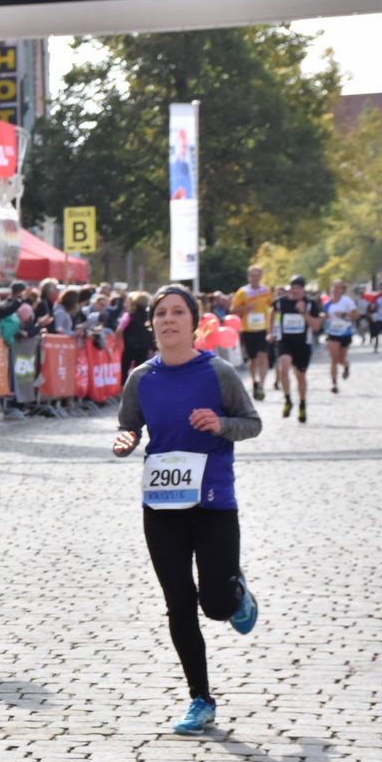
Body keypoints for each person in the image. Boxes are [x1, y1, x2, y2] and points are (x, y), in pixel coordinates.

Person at [113, 284, 262, 735]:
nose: (168, 320)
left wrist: (220, 424)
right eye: (161, 313)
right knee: (179, 604)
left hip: (214, 502)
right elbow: (128, 424)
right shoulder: (141, 378)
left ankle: (236, 593)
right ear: (152, 323)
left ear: (194, 322)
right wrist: (126, 440)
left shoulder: (217, 372)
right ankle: (200, 698)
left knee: (214, 604)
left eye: (178, 312)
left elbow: (251, 423)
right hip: (161, 505)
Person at [272, 275, 322, 424]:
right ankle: (287, 399)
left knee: (300, 376)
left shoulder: (310, 304)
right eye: (293, 288)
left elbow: (316, 326)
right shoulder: (282, 302)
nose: (295, 291)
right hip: (285, 341)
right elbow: (272, 313)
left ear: (303, 289)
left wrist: (303, 313)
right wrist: (270, 332)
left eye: (298, 288)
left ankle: (302, 404)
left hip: (303, 344)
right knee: (284, 366)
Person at [229, 266, 275, 400]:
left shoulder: (266, 291)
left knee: (263, 355)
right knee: (253, 359)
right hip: (248, 329)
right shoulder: (243, 292)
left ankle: (262, 384)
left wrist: (272, 326)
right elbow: (233, 310)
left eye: (257, 276)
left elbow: (273, 307)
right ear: (249, 277)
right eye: (252, 276)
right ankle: (254, 381)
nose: (255, 278)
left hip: (262, 329)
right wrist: (246, 308)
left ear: (261, 277)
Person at [322, 279, 357, 392]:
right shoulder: (328, 303)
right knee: (334, 359)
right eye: (334, 287)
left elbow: (356, 314)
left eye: (339, 287)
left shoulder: (346, 301)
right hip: (332, 332)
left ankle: (346, 366)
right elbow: (326, 315)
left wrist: (344, 314)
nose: (336, 289)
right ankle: (334, 384)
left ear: (342, 289)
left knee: (341, 359)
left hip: (345, 333)